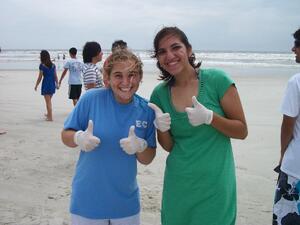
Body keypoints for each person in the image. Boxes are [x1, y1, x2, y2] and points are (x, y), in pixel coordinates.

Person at [148, 26, 248, 225]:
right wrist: (162, 128)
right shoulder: (159, 94)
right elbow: (169, 146)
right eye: (162, 52)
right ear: (158, 59)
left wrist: (211, 118)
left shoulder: (217, 80)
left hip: (215, 185)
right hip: (178, 184)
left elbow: (242, 130)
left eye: (175, 47)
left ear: (189, 50)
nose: (169, 55)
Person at [61, 49, 156, 225]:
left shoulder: (146, 110)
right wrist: (78, 138)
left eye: (132, 75)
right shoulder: (91, 99)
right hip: (87, 201)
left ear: (140, 77)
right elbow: (65, 135)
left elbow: (147, 158)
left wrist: (140, 147)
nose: (126, 82)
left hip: (126, 204)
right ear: (108, 79)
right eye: (118, 75)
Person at [272, 28, 300, 225]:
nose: (293, 49)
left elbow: (288, 124)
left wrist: (282, 155)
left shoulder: (296, 82)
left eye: (297, 45)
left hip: (295, 170)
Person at [34, 50, 58, 121]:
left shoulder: (42, 65)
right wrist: (57, 83)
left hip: (46, 84)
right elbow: (55, 76)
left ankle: (50, 117)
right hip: (52, 84)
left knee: (48, 102)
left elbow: (40, 77)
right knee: (49, 100)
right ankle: (48, 114)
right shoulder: (53, 65)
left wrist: (36, 85)